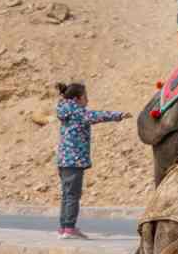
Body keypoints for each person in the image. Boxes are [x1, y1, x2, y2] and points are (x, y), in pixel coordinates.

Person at [53, 81, 127, 239]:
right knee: (72, 195)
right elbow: (98, 115)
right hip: (74, 161)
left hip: (63, 161)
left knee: (67, 195)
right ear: (78, 98)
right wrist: (119, 115)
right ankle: (69, 229)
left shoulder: (66, 111)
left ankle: (65, 227)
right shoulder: (79, 113)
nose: (88, 100)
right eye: (86, 96)